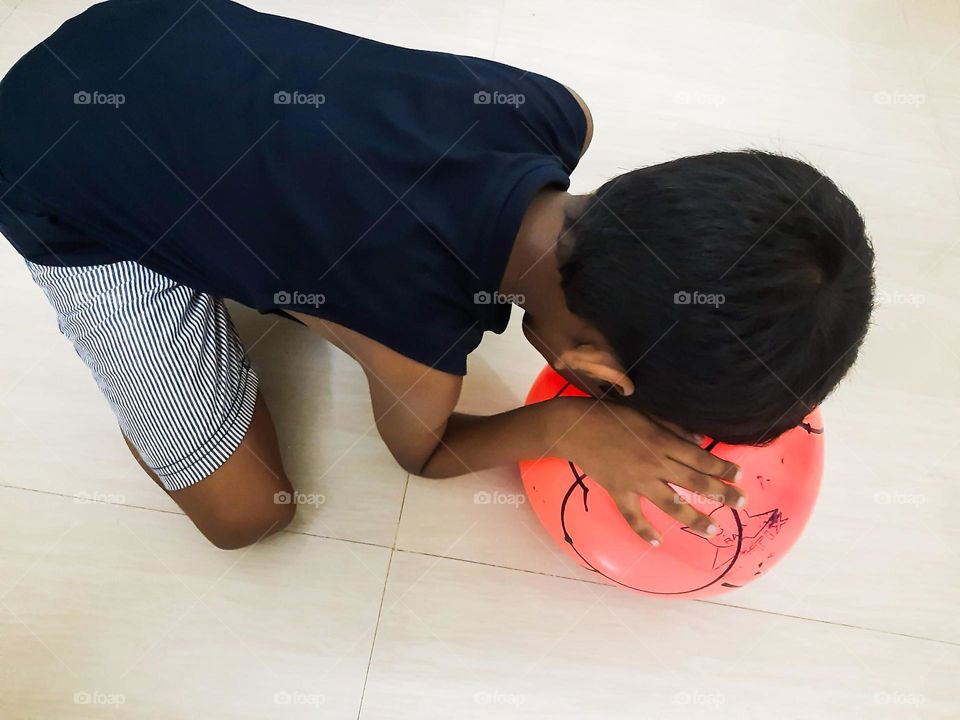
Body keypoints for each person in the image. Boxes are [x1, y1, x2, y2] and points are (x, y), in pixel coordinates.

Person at [0, 0, 874, 550]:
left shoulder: (550, 109)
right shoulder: (417, 328)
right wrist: (564, 430)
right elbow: (425, 454)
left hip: (145, 28)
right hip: (53, 175)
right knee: (249, 518)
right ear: (597, 374)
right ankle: (156, 345)